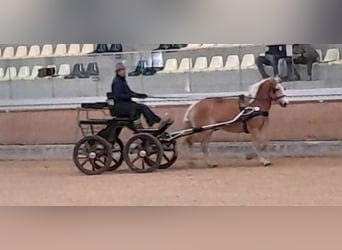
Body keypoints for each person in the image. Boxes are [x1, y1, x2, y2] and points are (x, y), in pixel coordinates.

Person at [111, 63, 172, 127]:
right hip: (121, 105)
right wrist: (132, 95)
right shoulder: (117, 82)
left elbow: (129, 92)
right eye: (121, 70)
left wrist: (138, 95)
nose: (123, 72)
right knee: (142, 107)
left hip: (126, 103)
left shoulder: (122, 80)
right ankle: (153, 122)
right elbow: (118, 96)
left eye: (123, 70)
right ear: (117, 72)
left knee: (142, 106)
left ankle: (157, 121)